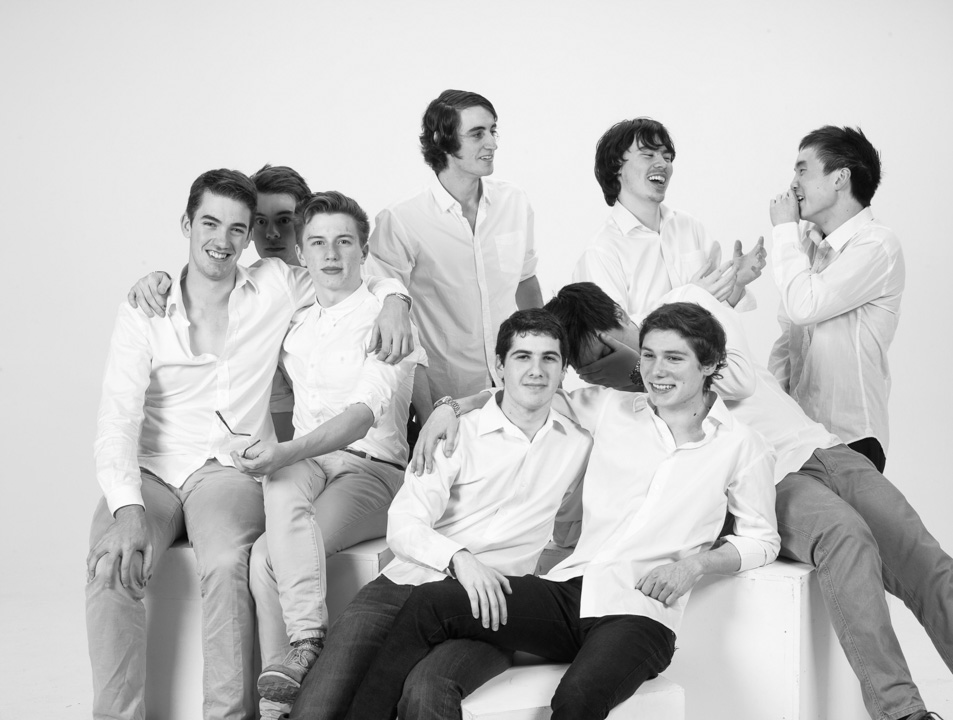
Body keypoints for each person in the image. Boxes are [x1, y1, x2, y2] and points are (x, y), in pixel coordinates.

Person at [348, 301, 779, 720]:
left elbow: (762, 539)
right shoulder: (611, 408)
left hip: (640, 612)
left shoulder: (743, 445)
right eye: (648, 355)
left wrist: (694, 566)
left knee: (577, 699)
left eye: (674, 358)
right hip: (570, 592)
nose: (656, 370)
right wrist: (450, 407)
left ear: (709, 364)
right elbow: (526, 391)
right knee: (431, 601)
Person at [544, 281, 951, 720]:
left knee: (926, 561)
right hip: (772, 479)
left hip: (821, 447)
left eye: (603, 356)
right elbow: (538, 401)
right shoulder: (628, 402)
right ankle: (902, 713)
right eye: (587, 370)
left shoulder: (687, 306)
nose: (600, 372)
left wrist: (642, 364)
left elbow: (738, 379)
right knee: (845, 536)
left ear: (621, 316)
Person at [92, 170, 411, 720]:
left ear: (248, 240)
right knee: (111, 565)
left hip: (227, 472)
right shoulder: (147, 308)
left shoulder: (276, 286)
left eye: (238, 229)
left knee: (227, 565)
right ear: (186, 224)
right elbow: (117, 416)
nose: (223, 239)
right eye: (210, 223)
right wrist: (126, 508)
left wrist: (396, 298)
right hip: (152, 470)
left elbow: (350, 275)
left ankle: (237, 712)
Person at [284, 309, 592, 720]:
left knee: (426, 692)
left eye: (548, 358)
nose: (536, 370)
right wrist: (459, 559)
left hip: (492, 604)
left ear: (563, 369)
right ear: (500, 366)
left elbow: (572, 527)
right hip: (406, 585)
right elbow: (403, 524)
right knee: (320, 705)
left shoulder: (577, 445)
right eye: (523, 357)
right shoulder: (454, 432)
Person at [230, 191, 422, 720]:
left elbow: (362, 417)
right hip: (311, 466)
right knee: (277, 497)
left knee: (269, 557)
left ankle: (297, 665)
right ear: (302, 251)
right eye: (317, 243)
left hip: (371, 468)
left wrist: (284, 451)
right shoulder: (297, 318)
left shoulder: (387, 321)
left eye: (344, 242)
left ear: (364, 251)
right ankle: (295, 668)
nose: (331, 254)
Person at [365, 89, 543, 420]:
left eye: (492, 130)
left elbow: (525, 279)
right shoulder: (401, 220)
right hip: (445, 397)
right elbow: (386, 309)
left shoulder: (515, 202)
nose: (492, 143)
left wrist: (546, 353)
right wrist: (426, 414)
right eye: (477, 134)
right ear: (441, 140)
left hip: (516, 386)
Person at [768, 126, 903, 473]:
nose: (793, 185)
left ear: (840, 177)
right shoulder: (808, 243)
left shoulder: (876, 244)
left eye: (802, 171)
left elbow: (804, 306)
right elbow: (789, 337)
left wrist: (783, 230)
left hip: (850, 438)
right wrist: (773, 411)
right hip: (799, 436)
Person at [572, 117, 765, 320]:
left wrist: (735, 283)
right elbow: (614, 332)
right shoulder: (601, 252)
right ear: (616, 166)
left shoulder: (690, 226)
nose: (662, 164)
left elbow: (716, 313)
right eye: (648, 155)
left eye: (667, 157)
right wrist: (689, 301)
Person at [249, 164, 312, 440]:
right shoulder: (247, 290)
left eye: (284, 220)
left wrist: (395, 297)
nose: (272, 233)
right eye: (260, 221)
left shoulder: (342, 275)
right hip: (286, 439)